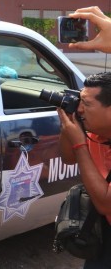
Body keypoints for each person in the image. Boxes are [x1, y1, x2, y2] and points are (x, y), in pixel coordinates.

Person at [58, 71, 111, 268]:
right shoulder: (96, 134)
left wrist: (79, 144)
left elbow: (106, 204)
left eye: (87, 104)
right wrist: (68, 127)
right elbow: (68, 159)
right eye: (80, 101)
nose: (79, 109)